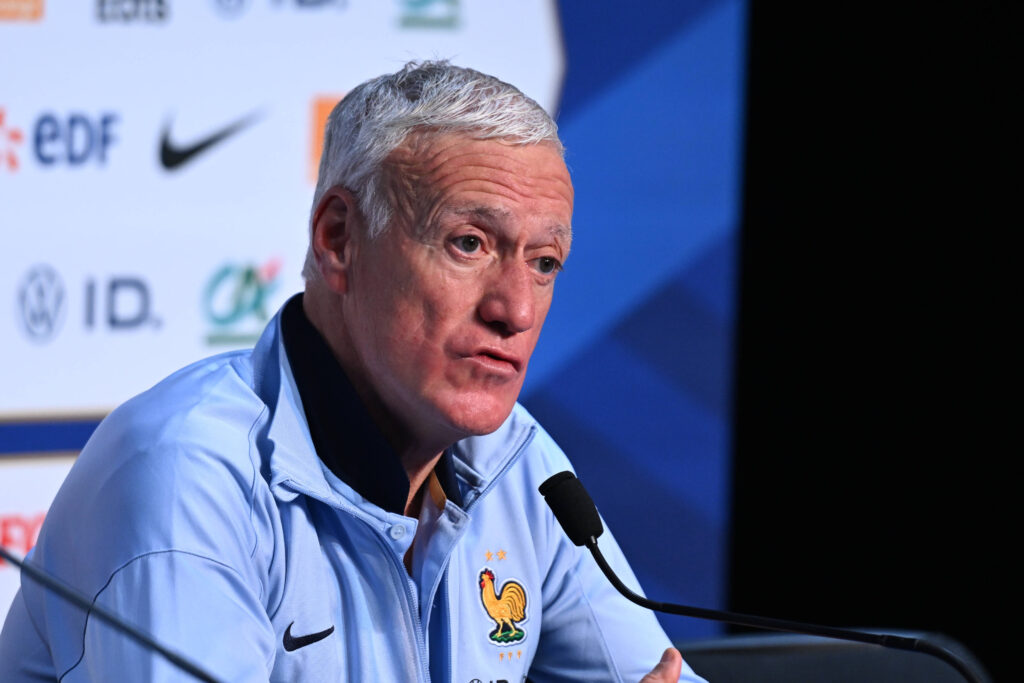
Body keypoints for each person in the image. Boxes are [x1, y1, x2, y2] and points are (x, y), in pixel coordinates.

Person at [0, 61, 705, 682]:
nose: (516, 309)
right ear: (339, 239)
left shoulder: (518, 464)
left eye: (544, 262)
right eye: (469, 243)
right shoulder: (185, 477)